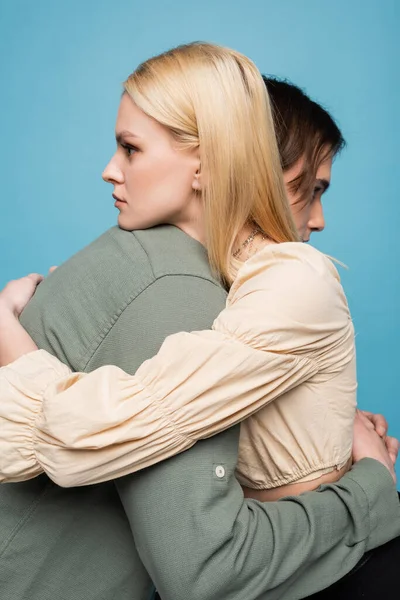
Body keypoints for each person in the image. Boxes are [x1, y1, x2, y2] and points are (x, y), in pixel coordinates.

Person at [0, 44, 398, 600]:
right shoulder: (208, 284)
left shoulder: (292, 277)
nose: (109, 169)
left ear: (208, 162)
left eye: (130, 148)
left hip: (339, 574)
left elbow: (97, 432)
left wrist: (10, 336)